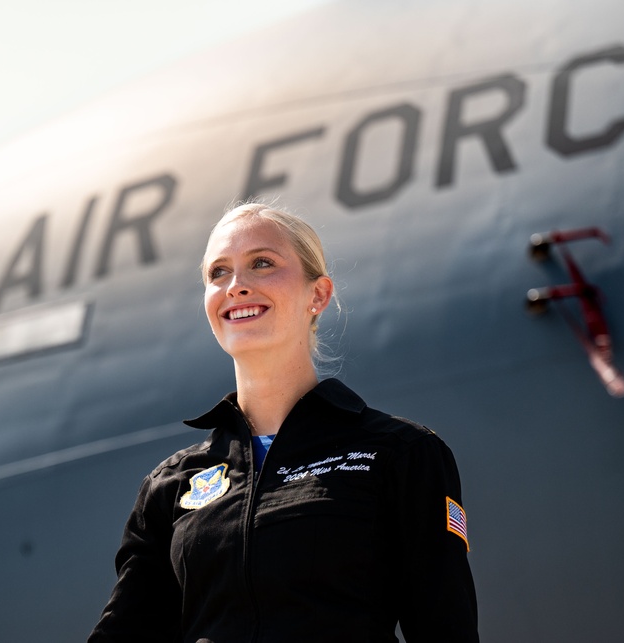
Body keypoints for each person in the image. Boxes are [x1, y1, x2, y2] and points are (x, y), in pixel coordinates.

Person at [88, 203, 478, 642]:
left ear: (318, 295)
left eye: (262, 263)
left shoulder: (398, 452)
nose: (236, 286)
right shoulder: (173, 483)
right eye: (218, 273)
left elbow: (447, 628)